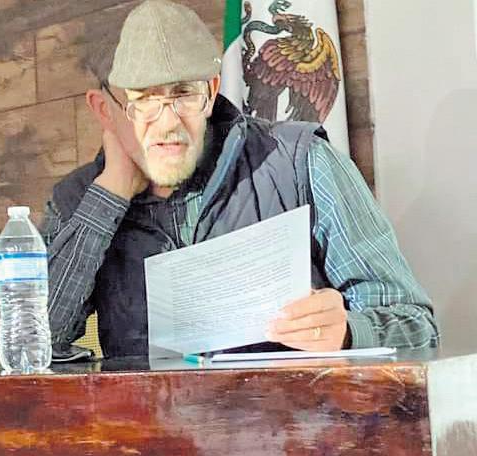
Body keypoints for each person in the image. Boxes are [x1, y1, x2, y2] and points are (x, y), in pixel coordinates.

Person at [44, 0, 438, 359]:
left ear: (212, 90)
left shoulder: (302, 162)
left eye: (184, 93)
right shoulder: (75, 200)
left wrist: (349, 331)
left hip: (291, 413)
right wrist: (108, 195)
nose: (168, 122)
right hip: (144, 416)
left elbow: (419, 328)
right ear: (104, 109)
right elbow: (35, 346)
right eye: (143, 99)